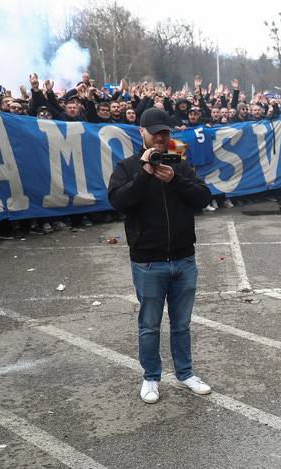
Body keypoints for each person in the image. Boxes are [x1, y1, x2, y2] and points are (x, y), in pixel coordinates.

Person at [107, 108, 214, 403]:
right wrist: (144, 172)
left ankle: (185, 373)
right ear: (141, 131)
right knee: (150, 325)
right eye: (155, 132)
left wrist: (175, 180)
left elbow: (204, 198)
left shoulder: (177, 160)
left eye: (165, 132)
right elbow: (119, 201)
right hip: (148, 261)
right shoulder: (127, 166)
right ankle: (151, 377)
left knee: (182, 324)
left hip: (183, 257)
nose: (161, 137)